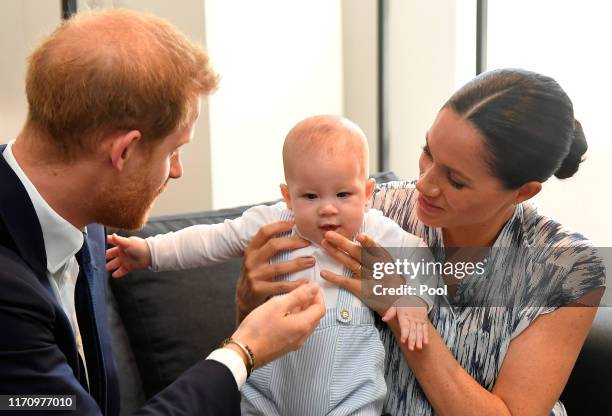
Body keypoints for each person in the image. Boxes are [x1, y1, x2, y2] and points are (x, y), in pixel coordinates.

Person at [0, 9, 325, 416]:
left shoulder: (87, 214)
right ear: (124, 151)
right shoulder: (8, 293)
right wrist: (244, 351)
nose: (176, 170)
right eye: (174, 150)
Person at [236, 69, 607, 415]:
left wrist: (402, 312)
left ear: (523, 192)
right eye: (427, 152)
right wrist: (248, 301)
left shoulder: (568, 268)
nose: (425, 184)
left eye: (456, 180)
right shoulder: (372, 212)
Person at [105, 114, 436, 415]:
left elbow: (421, 256)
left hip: (350, 402)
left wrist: (413, 300)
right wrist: (149, 252)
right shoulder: (272, 222)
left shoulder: (374, 230)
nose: (328, 209)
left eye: (343, 195)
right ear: (288, 196)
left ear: (366, 193)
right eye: (310, 196)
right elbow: (212, 240)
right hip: (269, 398)